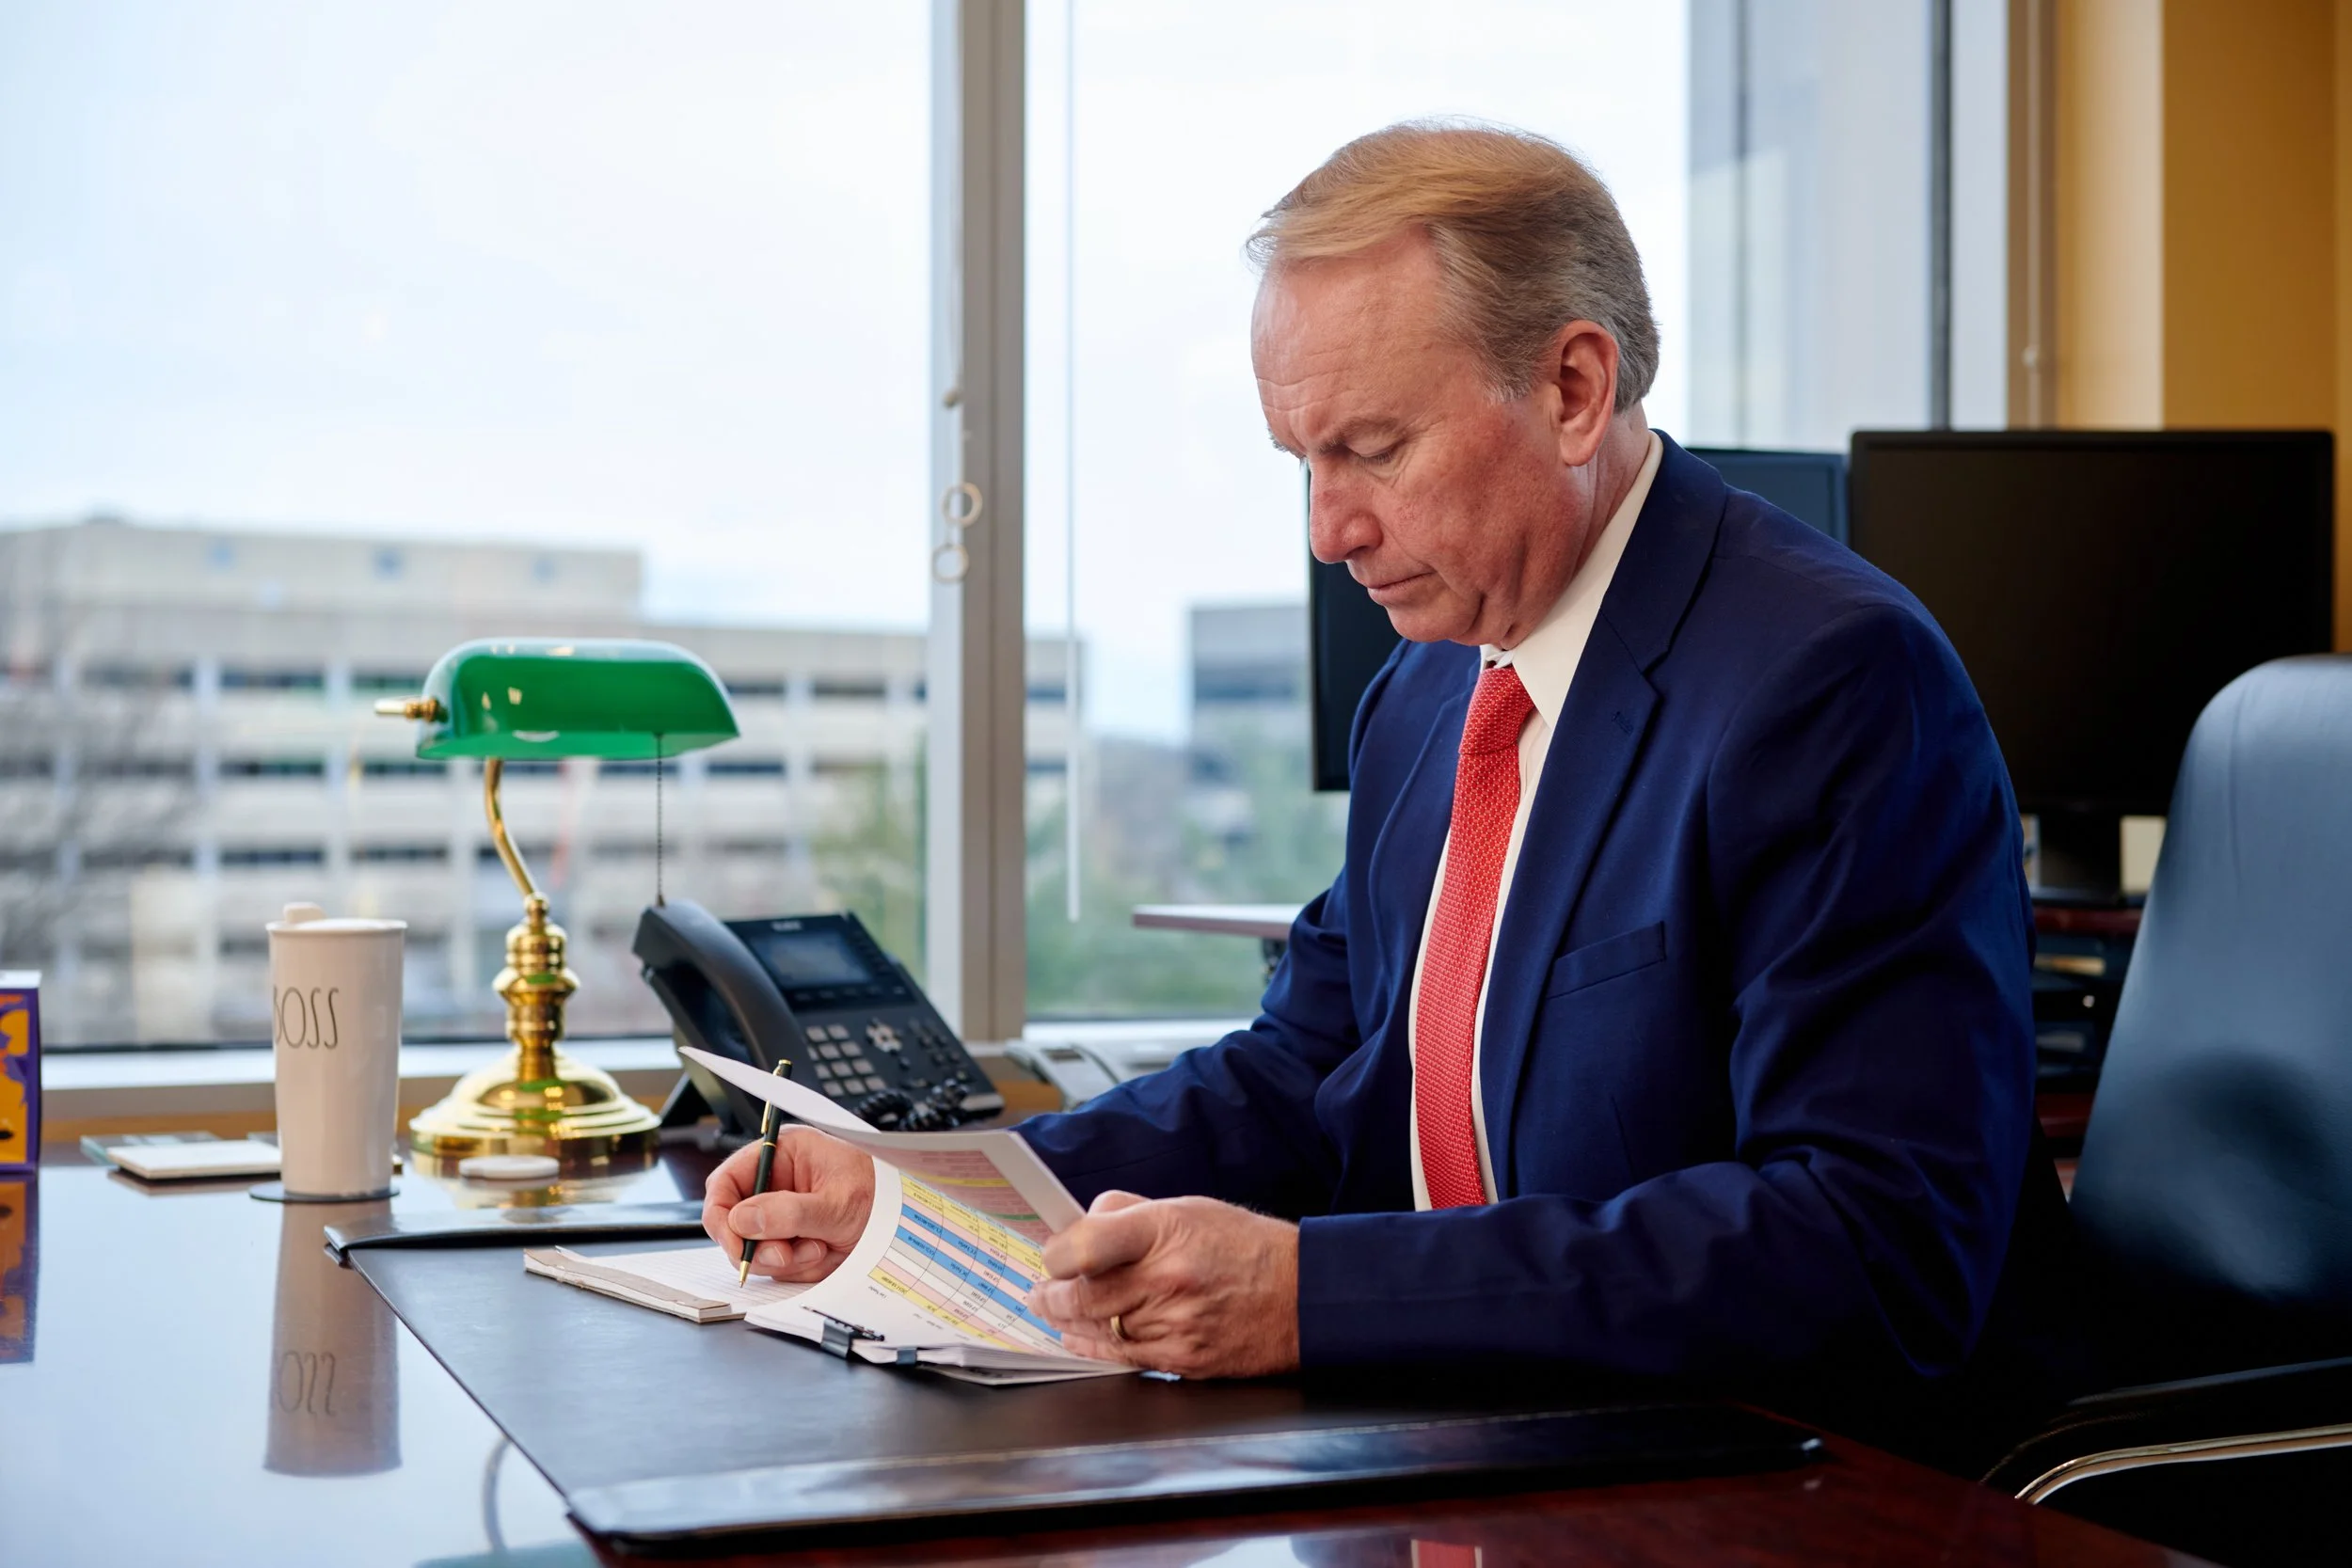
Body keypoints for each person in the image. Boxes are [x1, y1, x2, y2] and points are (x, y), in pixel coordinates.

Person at [703, 120, 2078, 1465]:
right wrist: (949, 1193)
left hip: (1808, 1476)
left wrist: (1314, 1295)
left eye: (1373, 447)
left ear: (1573, 390)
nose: (1327, 531)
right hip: (1494, 1441)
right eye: (1303, 461)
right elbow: (1311, 1070)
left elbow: (1871, 1244)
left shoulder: (1830, 679)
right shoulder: (1428, 692)